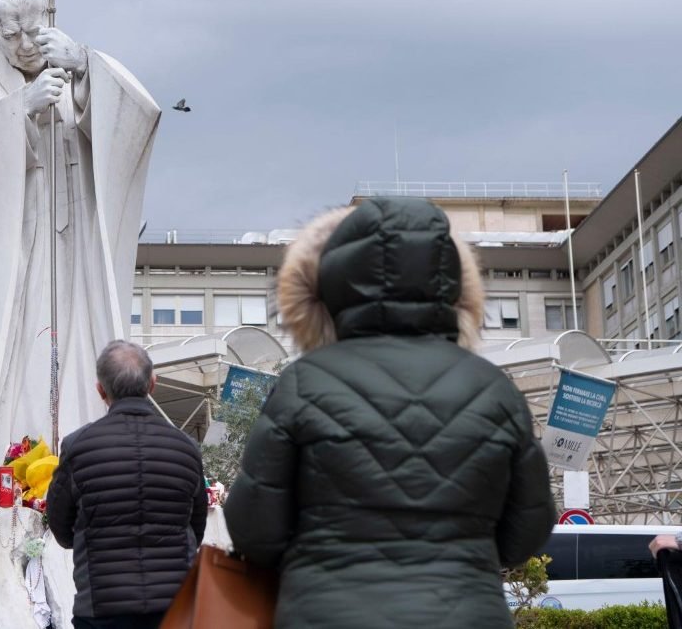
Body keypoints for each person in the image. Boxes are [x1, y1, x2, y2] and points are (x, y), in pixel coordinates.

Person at [225, 197, 556, 628]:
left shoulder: (304, 385)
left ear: (332, 284)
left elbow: (254, 530)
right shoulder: (493, 390)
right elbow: (526, 532)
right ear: (452, 282)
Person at [0, 0, 160, 472]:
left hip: (77, 237)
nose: (25, 44)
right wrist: (19, 111)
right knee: (20, 348)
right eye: (10, 35)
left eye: (33, 30)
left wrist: (87, 73)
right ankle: (9, 456)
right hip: (15, 243)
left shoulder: (78, 59)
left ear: (49, 17)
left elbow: (140, 118)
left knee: (82, 331)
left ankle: (86, 439)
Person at [46, 340, 207, 629]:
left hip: (102, 608)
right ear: (152, 384)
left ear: (101, 390)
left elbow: (61, 530)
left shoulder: (78, 447)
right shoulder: (186, 448)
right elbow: (195, 529)